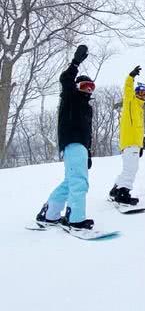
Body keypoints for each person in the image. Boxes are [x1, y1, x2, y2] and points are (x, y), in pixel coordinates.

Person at [35, 45, 95, 230]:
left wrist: (89, 152)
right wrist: (75, 63)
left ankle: (49, 214)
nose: (88, 90)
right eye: (84, 86)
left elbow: (88, 133)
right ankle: (75, 219)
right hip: (72, 142)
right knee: (79, 182)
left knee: (70, 182)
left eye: (91, 87)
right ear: (77, 87)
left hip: (80, 146)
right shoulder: (70, 97)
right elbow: (65, 79)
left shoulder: (87, 108)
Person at [109, 65, 145, 206]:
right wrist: (131, 77)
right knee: (131, 169)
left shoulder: (139, 109)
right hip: (129, 142)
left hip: (134, 144)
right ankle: (123, 193)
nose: (143, 96)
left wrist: (141, 146)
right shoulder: (130, 102)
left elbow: (138, 130)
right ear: (136, 93)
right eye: (141, 93)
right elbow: (127, 89)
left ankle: (115, 190)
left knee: (128, 168)